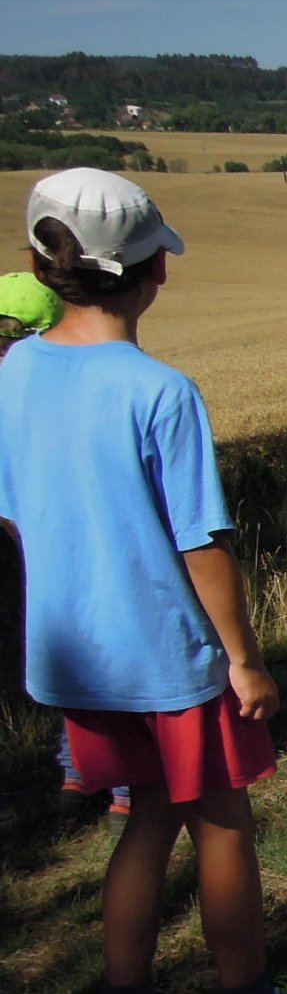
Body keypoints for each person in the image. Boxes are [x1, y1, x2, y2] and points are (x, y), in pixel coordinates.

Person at [0, 169, 287, 994]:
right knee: (221, 823)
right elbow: (202, 543)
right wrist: (245, 659)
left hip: (73, 654)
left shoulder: (17, 369)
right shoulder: (161, 390)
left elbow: (19, 513)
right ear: (155, 274)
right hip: (170, 655)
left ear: (41, 263)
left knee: (141, 820)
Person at [0, 274, 135, 834]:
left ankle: (81, 773)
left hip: (30, 543)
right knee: (108, 648)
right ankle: (115, 780)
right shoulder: (54, 381)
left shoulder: (23, 382)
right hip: (65, 542)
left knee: (66, 652)